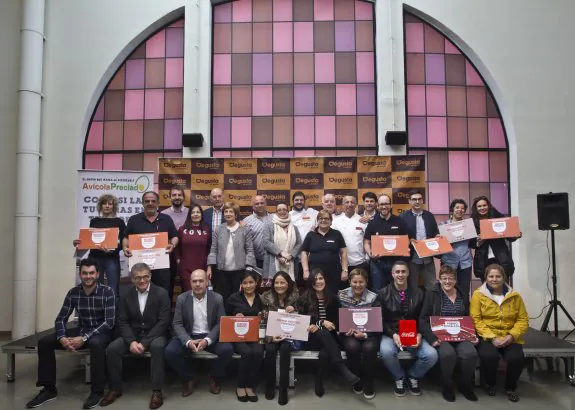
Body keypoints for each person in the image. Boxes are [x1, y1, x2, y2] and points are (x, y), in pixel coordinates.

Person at [25, 258, 115, 409]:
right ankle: (48, 389)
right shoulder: (73, 293)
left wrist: (84, 338)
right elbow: (61, 319)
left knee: (96, 344)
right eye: (85, 273)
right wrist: (62, 337)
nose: (88, 276)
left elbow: (109, 322)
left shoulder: (108, 292)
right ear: (80, 274)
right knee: (44, 343)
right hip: (82, 328)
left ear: (98, 274)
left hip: (101, 332)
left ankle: (97, 391)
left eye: (91, 273)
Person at [101, 263, 170, 409]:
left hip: (155, 334)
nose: (142, 280)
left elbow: (163, 322)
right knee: (112, 349)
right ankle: (115, 388)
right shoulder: (126, 294)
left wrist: (144, 342)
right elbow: (122, 321)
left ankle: (157, 391)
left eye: (145, 276)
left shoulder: (161, 293)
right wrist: (131, 341)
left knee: (158, 347)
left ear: (150, 276)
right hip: (133, 334)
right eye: (138, 278)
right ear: (132, 279)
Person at [165, 269, 234, 396]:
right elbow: (177, 324)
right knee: (170, 352)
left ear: (207, 282)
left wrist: (207, 340)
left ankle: (213, 376)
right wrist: (188, 341)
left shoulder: (217, 298)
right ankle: (189, 377)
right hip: (189, 335)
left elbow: (221, 323)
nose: (197, 284)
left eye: (201, 281)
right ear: (190, 283)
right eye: (194, 281)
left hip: (210, 335)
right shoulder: (182, 298)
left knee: (227, 350)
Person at [378, 261, 438, 397]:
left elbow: (423, 318)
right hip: (391, 332)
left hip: (414, 333)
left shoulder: (420, 293)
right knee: (386, 352)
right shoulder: (382, 293)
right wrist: (393, 334)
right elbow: (380, 320)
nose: (400, 274)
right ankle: (399, 377)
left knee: (431, 355)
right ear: (392, 274)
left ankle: (413, 376)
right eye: (397, 272)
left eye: (403, 271)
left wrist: (420, 334)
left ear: (408, 273)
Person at [419, 265, 478, 402]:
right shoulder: (432, 293)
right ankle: (448, 385)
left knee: (470, 353)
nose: (447, 281)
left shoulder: (462, 293)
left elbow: (468, 317)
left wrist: (473, 335)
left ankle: (465, 384)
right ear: (439, 279)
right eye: (444, 278)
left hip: (461, 335)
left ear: (455, 280)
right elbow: (422, 319)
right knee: (448, 354)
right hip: (440, 336)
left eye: (450, 278)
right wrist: (432, 338)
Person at [470, 264, 528, 402]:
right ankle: (490, 383)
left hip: (510, 336)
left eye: (497, 276)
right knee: (489, 356)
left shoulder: (515, 296)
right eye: (491, 276)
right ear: (486, 278)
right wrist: (492, 337)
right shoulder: (478, 295)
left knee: (516, 358)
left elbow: (523, 319)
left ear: (504, 278)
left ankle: (510, 387)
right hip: (488, 336)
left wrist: (512, 336)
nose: (494, 279)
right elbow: (475, 319)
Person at [297, 269, 359, 397]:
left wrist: (325, 324)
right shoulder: (303, 299)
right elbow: (303, 322)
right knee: (321, 333)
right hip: (311, 338)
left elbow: (337, 321)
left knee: (325, 353)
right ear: (310, 282)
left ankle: (318, 380)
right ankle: (342, 367)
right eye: (315, 280)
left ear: (325, 280)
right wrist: (321, 323)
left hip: (331, 338)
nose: (318, 282)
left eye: (320, 278)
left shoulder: (333, 298)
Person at [123, 191, 178, 295]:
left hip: (162, 266)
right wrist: (125, 247)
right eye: (147, 201)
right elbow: (126, 238)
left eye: (153, 201)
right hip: (140, 268)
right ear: (143, 203)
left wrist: (173, 244)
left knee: (164, 293)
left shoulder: (166, 219)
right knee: (139, 294)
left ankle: (163, 312)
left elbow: (175, 236)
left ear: (158, 203)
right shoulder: (134, 219)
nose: (150, 203)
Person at [338, 268, 380, 400]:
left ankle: (368, 380)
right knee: (352, 347)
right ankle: (357, 379)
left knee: (369, 348)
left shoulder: (374, 297)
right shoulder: (341, 295)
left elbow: (377, 321)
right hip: (348, 333)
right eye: (354, 282)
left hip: (369, 333)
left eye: (361, 282)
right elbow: (337, 317)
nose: (358, 285)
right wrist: (344, 330)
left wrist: (365, 334)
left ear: (366, 282)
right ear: (349, 282)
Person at [73, 194, 125, 296]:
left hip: (112, 258)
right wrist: (79, 243)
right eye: (104, 203)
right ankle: (97, 311)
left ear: (114, 206)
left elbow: (123, 242)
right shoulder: (94, 221)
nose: (107, 206)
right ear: (100, 206)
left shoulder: (119, 222)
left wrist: (112, 250)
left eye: (110, 204)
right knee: (95, 288)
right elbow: (90, 239)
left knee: (113, 289)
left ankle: (113, 312)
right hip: (94, 258)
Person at [261, 271, 299, 405]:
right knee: (270, 350)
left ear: (288, 284)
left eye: (282, 282)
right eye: (276, 282)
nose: (279, 285)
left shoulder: (296, 297)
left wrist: (294, 310)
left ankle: (283, 389)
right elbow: (262, 320)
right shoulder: (265, 298)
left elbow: (302, 319)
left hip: (290, 336)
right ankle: (270, 385)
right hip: (271, 334)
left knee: (285, 350)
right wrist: (270, 337)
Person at [226, 270, 264, 402]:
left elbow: (265, 318)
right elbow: (225, 318)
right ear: (241, 284)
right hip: (238, 336)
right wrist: (235, 317)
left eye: (251, 282)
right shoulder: (233, 298)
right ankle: (241, 385)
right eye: (245, 283)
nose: (248, 285)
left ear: (256, 282)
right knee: (247, 353)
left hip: (255, 335)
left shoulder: (261, 299)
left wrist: (262, 317)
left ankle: (250, 385)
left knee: (258, 353)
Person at [207, 202, 256, 301]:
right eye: (226, 211)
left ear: (236, 214)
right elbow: (213, 249)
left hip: (239, 272)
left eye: (231, 211)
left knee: (238, 299)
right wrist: (209, 267)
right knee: (222, 298)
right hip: (221, 272)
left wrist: (248, 268)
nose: (228, 214)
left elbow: (250, 250)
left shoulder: (244, 229)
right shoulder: (219, 229)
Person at [363, 194, 408, 290]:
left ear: (391, 205)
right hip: (378, 263)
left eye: (386, 204)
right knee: (378, 290)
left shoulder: (399, 221)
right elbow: (366, 242)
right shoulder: (372, 223)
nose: (384, 206)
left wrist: (404, 248)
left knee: (397, 289)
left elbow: (406, 240)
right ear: (377, 206)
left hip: (396, 263)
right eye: (381, 204)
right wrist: (371, 254)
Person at [471, 196, 521, 281]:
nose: (482, 208)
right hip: (483, 260)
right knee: (486, 289)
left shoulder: (498, 217)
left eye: (484, 205)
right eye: (479, 206)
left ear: (488, 206)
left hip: (501, 257)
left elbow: (509, 237)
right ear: (476, 208)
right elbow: (471, 243)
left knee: (503, 287)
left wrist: (515, 235)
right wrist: (478, 241)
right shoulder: (472, 222)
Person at [400, 189, 440, 290]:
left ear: (422, 201)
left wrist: (437, 237)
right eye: (414, 199)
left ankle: (430, 306)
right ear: (409, 201)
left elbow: (435, 232)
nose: (417, 201)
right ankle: (413, 306)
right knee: (412, 288)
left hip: (428, 258)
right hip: (412, 259)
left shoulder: (429, 216)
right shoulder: (403, 217)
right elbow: (399, 237)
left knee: (432, 287)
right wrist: (408, 241)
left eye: (419, 199)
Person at [300, 210, 348, 293]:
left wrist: (344, 270)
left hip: (334, 273)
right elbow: (304, 253)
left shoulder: (336, 234)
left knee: (333, 296)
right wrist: (306, 271)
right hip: (315, 273)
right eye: (320, 218)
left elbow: (343, 252)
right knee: (314, 296)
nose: (323, 220)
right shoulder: (311, 235)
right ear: (317, 221)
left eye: (326, 218)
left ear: (331, 221)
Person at [440, 199, 474, 297]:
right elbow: (440, 245)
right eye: (457, 207)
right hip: (448, 261)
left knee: (464, 290)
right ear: (452, 209)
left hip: (465, 261)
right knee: (448, 289)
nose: (460, 210)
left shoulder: (468, 225)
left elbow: (473, 243)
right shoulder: (443, 225)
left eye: (463, 208)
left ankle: (464, 311)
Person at [161, 186, 189, 300]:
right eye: (174, 195)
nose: (177, 197)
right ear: (170, 197)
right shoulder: (163, 214)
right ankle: (167, 313)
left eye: (179, 195)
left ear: (183, 197)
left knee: (186, 284)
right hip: (168, 253)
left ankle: (186, 312)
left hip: (187, 253)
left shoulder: (190, 212)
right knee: (168, 283)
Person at [262, 203, 302, 283]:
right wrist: (280, 254)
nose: (282, 211)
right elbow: (266, 242)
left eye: (284, 209)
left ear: (288, 211)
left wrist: (290, 256)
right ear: (276, 213)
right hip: (274, 261)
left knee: (290, 287)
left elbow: (299, 244)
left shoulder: (294, 228)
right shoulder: (269, 226)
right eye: (279, 210)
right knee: (275, 287)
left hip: (291, 262)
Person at [177, 203, 211, 292]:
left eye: (198, 212)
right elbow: (177, 248)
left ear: (201, 215)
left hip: (202, 269)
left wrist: (209, 267)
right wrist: (178, 260)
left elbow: (210, 250)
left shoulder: (207, 230)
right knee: (188, 295)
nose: (195, 214)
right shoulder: (182, 229)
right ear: (189, 215)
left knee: (201, 295)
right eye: (193, 212)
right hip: (186, 269)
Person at [332, 196, 368, 278]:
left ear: (356, 204)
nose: (349, 204)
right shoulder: (335, 222)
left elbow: (367, 241)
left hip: (360, 262)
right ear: (342, 205)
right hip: (341, 264)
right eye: (347, 202)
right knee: (343, 290)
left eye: (352, 202)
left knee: (359, 288)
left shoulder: (363, 221)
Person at [289, 191, 318, 283]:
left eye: (301, 200)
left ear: (304, 201)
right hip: (293, 255)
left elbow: (326, 213)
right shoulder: (288, 215)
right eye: (296, 200)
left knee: (309, 281)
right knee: (294, 281)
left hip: (309, 254)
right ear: (292, 201)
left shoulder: (312, 213)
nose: (299, 202)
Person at [243, 195, 272, 269]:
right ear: (253, 206)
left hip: (272, 258)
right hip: (255, 260)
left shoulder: (274, 218)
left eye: (262, 203)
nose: (260, 205)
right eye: (257, 203)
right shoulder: (246, 221)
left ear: (265, 204)